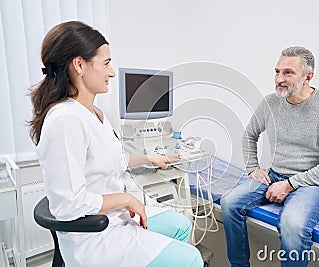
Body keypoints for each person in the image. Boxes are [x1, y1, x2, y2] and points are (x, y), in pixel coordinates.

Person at [29, 21, 203, 267]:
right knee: (192, 259)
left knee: (181, 224)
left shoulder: (94, 114)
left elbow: (115, 159)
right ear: (79, 64)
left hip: (115, 219)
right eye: (106, 63)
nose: (111, 73)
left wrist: (149, 159)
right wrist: (125, 198)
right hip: (94, 239)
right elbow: (68, 205)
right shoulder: (65, 120)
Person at [221, 46, 319, 267]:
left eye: (288, 72)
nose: (279, 79)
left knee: (292, 223)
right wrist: (253, 168)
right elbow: (249, 135)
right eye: (277, 71)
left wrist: (290, 184)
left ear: (308, 76)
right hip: (274, 175)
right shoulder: (270, 103)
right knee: (229, 202)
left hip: (315, 184)